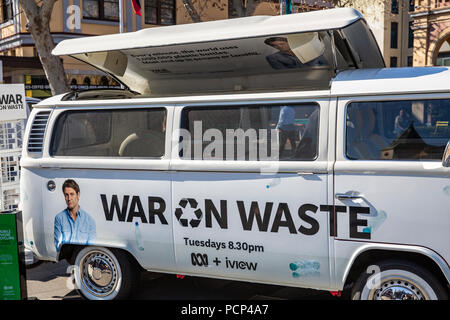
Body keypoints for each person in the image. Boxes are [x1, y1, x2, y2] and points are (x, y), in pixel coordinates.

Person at [54, 179, 96, 251]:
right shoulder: (59, 218)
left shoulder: (89, 221)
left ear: (78, 195)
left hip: (82, 260)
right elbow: (58, 245)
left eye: (72, 194)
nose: (69, 198)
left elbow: (91, 248)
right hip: (65, 260)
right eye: (66, 195)